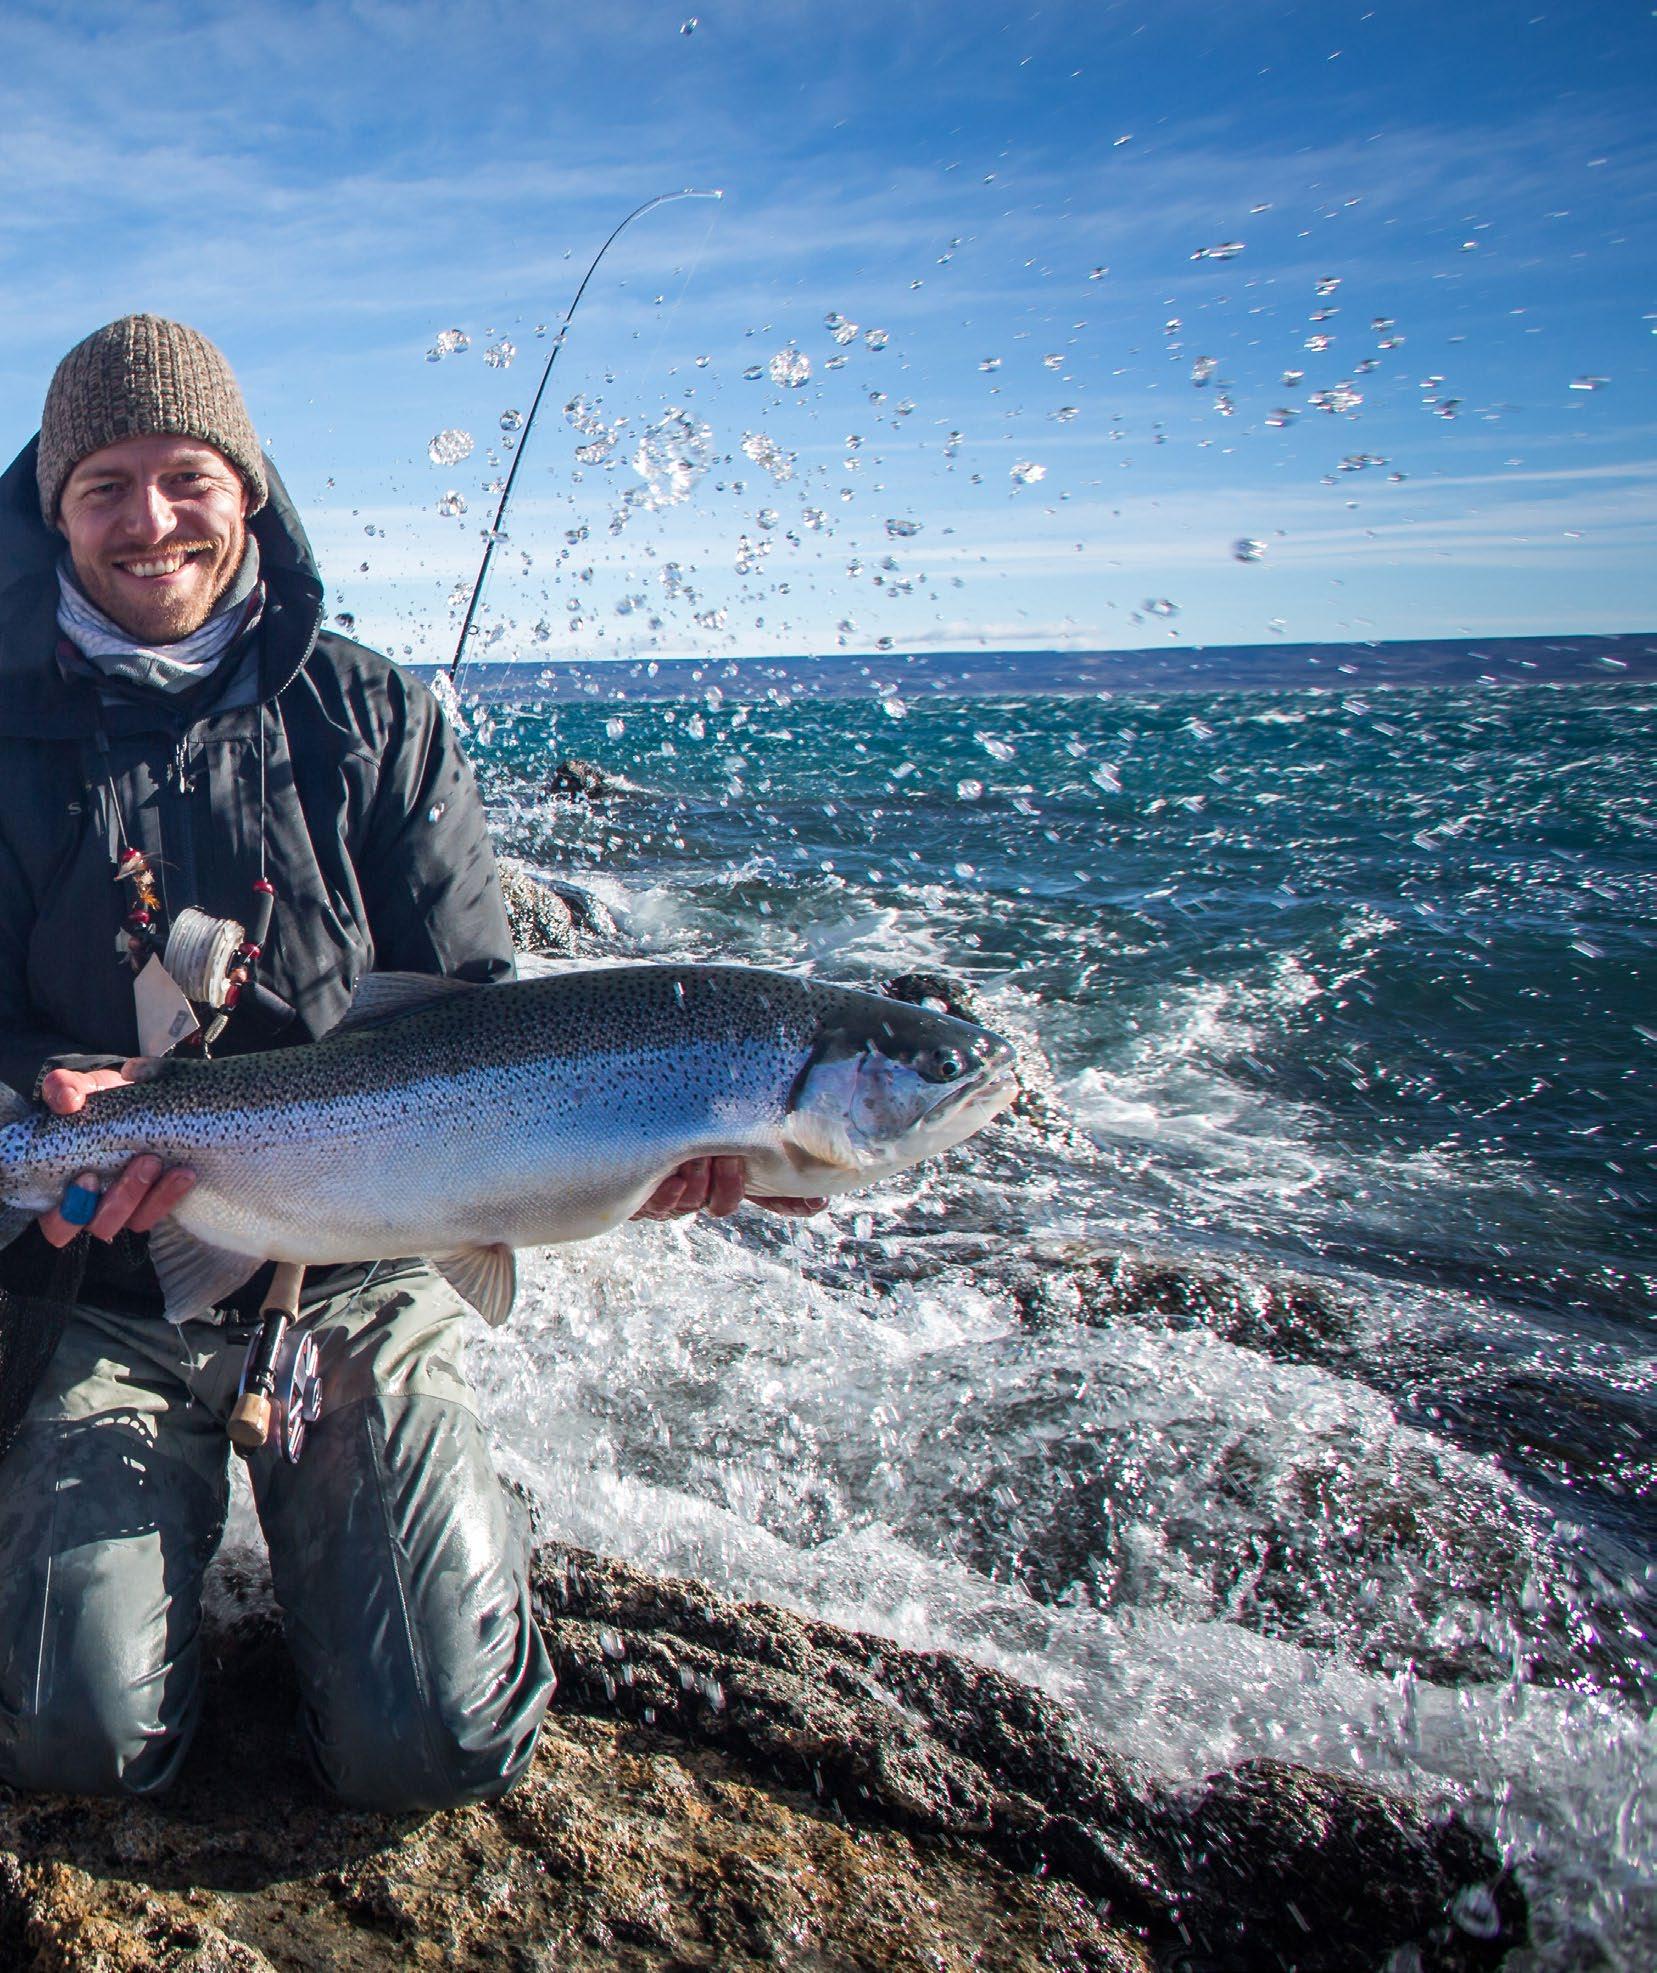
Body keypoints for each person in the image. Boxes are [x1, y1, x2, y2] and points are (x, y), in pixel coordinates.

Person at [0, 314, 815, 1810]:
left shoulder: (374, 714)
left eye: (186, 474)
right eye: (103, 484)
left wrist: (638, 1164)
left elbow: (493, 1024)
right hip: (96, 1279)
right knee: (75, 1740)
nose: (151, 518)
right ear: (52, 505)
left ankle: (389, 1556)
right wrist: (46, 1079)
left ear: (248, 487)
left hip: (358, 1278)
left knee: (431, 1744)